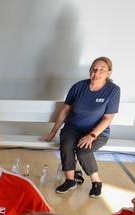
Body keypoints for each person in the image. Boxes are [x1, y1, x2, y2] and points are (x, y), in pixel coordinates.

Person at [41, 57, 120, 199]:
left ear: (109, 73)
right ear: (90, 70)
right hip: (73, 127)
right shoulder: (78, 87)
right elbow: (65, 110)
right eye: (94, 68)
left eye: (102, 69)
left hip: (97, 132)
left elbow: (108, 118)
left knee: (83, 150)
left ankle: (97, 182)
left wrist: (91, 135)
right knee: (66, 145)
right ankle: (70, 180)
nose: (97, 72)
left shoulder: (113, 91)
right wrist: (53, 131)